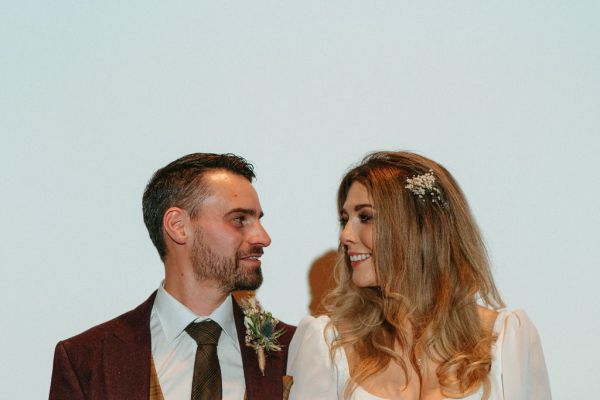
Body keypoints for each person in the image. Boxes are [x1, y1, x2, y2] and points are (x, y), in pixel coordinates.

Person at [287, 151, 551, 400]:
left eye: (365, 217)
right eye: (344, 220)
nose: (345, 235)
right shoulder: (328, 346)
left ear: (419, 228)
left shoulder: (508, 340)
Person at [49, 153, 295, 400]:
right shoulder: (86, 359)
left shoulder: (293, 350)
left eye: (258, 220)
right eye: (239, 220)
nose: (263, 237)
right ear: (178, 226)